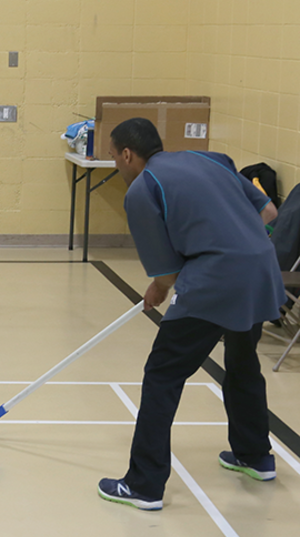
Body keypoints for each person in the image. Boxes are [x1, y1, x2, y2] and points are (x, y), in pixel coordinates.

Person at [97, 117, 284, 510]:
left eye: (114, 157)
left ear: (128, 154)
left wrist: (160, 288)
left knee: (163, 374)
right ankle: (255, 456)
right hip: (261, 272)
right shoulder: (212, 159)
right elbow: (269, 213)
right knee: (242, 360)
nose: (115, 165)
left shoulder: (143, 189)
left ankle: (143, 485)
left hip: (216, 280)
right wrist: (242, 246)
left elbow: (165, 273)